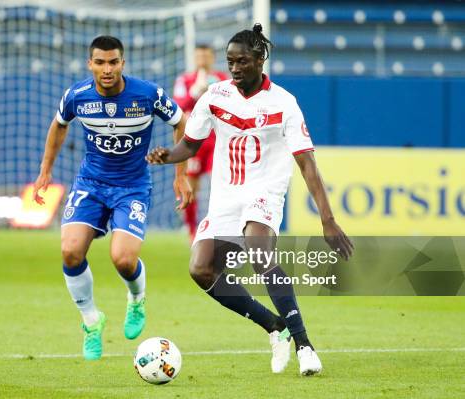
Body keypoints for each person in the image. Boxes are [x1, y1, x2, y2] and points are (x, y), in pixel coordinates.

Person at [146, 24, 353, 376]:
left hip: (265, 191)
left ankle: (305, 346)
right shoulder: (214, 96)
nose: (236, 68)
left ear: (260, 60)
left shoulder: (284, 103)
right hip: (226, 196)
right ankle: (275, 327)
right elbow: (191, 145)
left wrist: (328, 220)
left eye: (242, 61)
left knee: (259, 252)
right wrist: (168, 156)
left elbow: (307, 164)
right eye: (230, 62)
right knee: (201, 269)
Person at [33, 35, 191, 361]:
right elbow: (59, 125)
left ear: (123, 63)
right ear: (90, 63)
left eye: (113, 62)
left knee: (123, 259)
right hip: (91, 183)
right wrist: (45, 171)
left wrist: (180, 174)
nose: (107, 69)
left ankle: (136, 298)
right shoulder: (77, 96)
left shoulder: (147, 94)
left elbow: (181, 123)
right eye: (101, 62)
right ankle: (92, 322)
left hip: (132, 186)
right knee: (70, 252)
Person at [173, 45, 229, 241]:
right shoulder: (185, 80)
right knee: (192, 186)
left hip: (217, 141)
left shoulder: (222, 80)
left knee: (223, 183)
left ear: (212, 57)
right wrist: (195, 92)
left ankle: (222, 228)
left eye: (206, 55)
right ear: (194, 58)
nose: (202, 58)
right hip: (195, 141)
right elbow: (178, 108)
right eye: (199, 55)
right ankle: (191, 230)